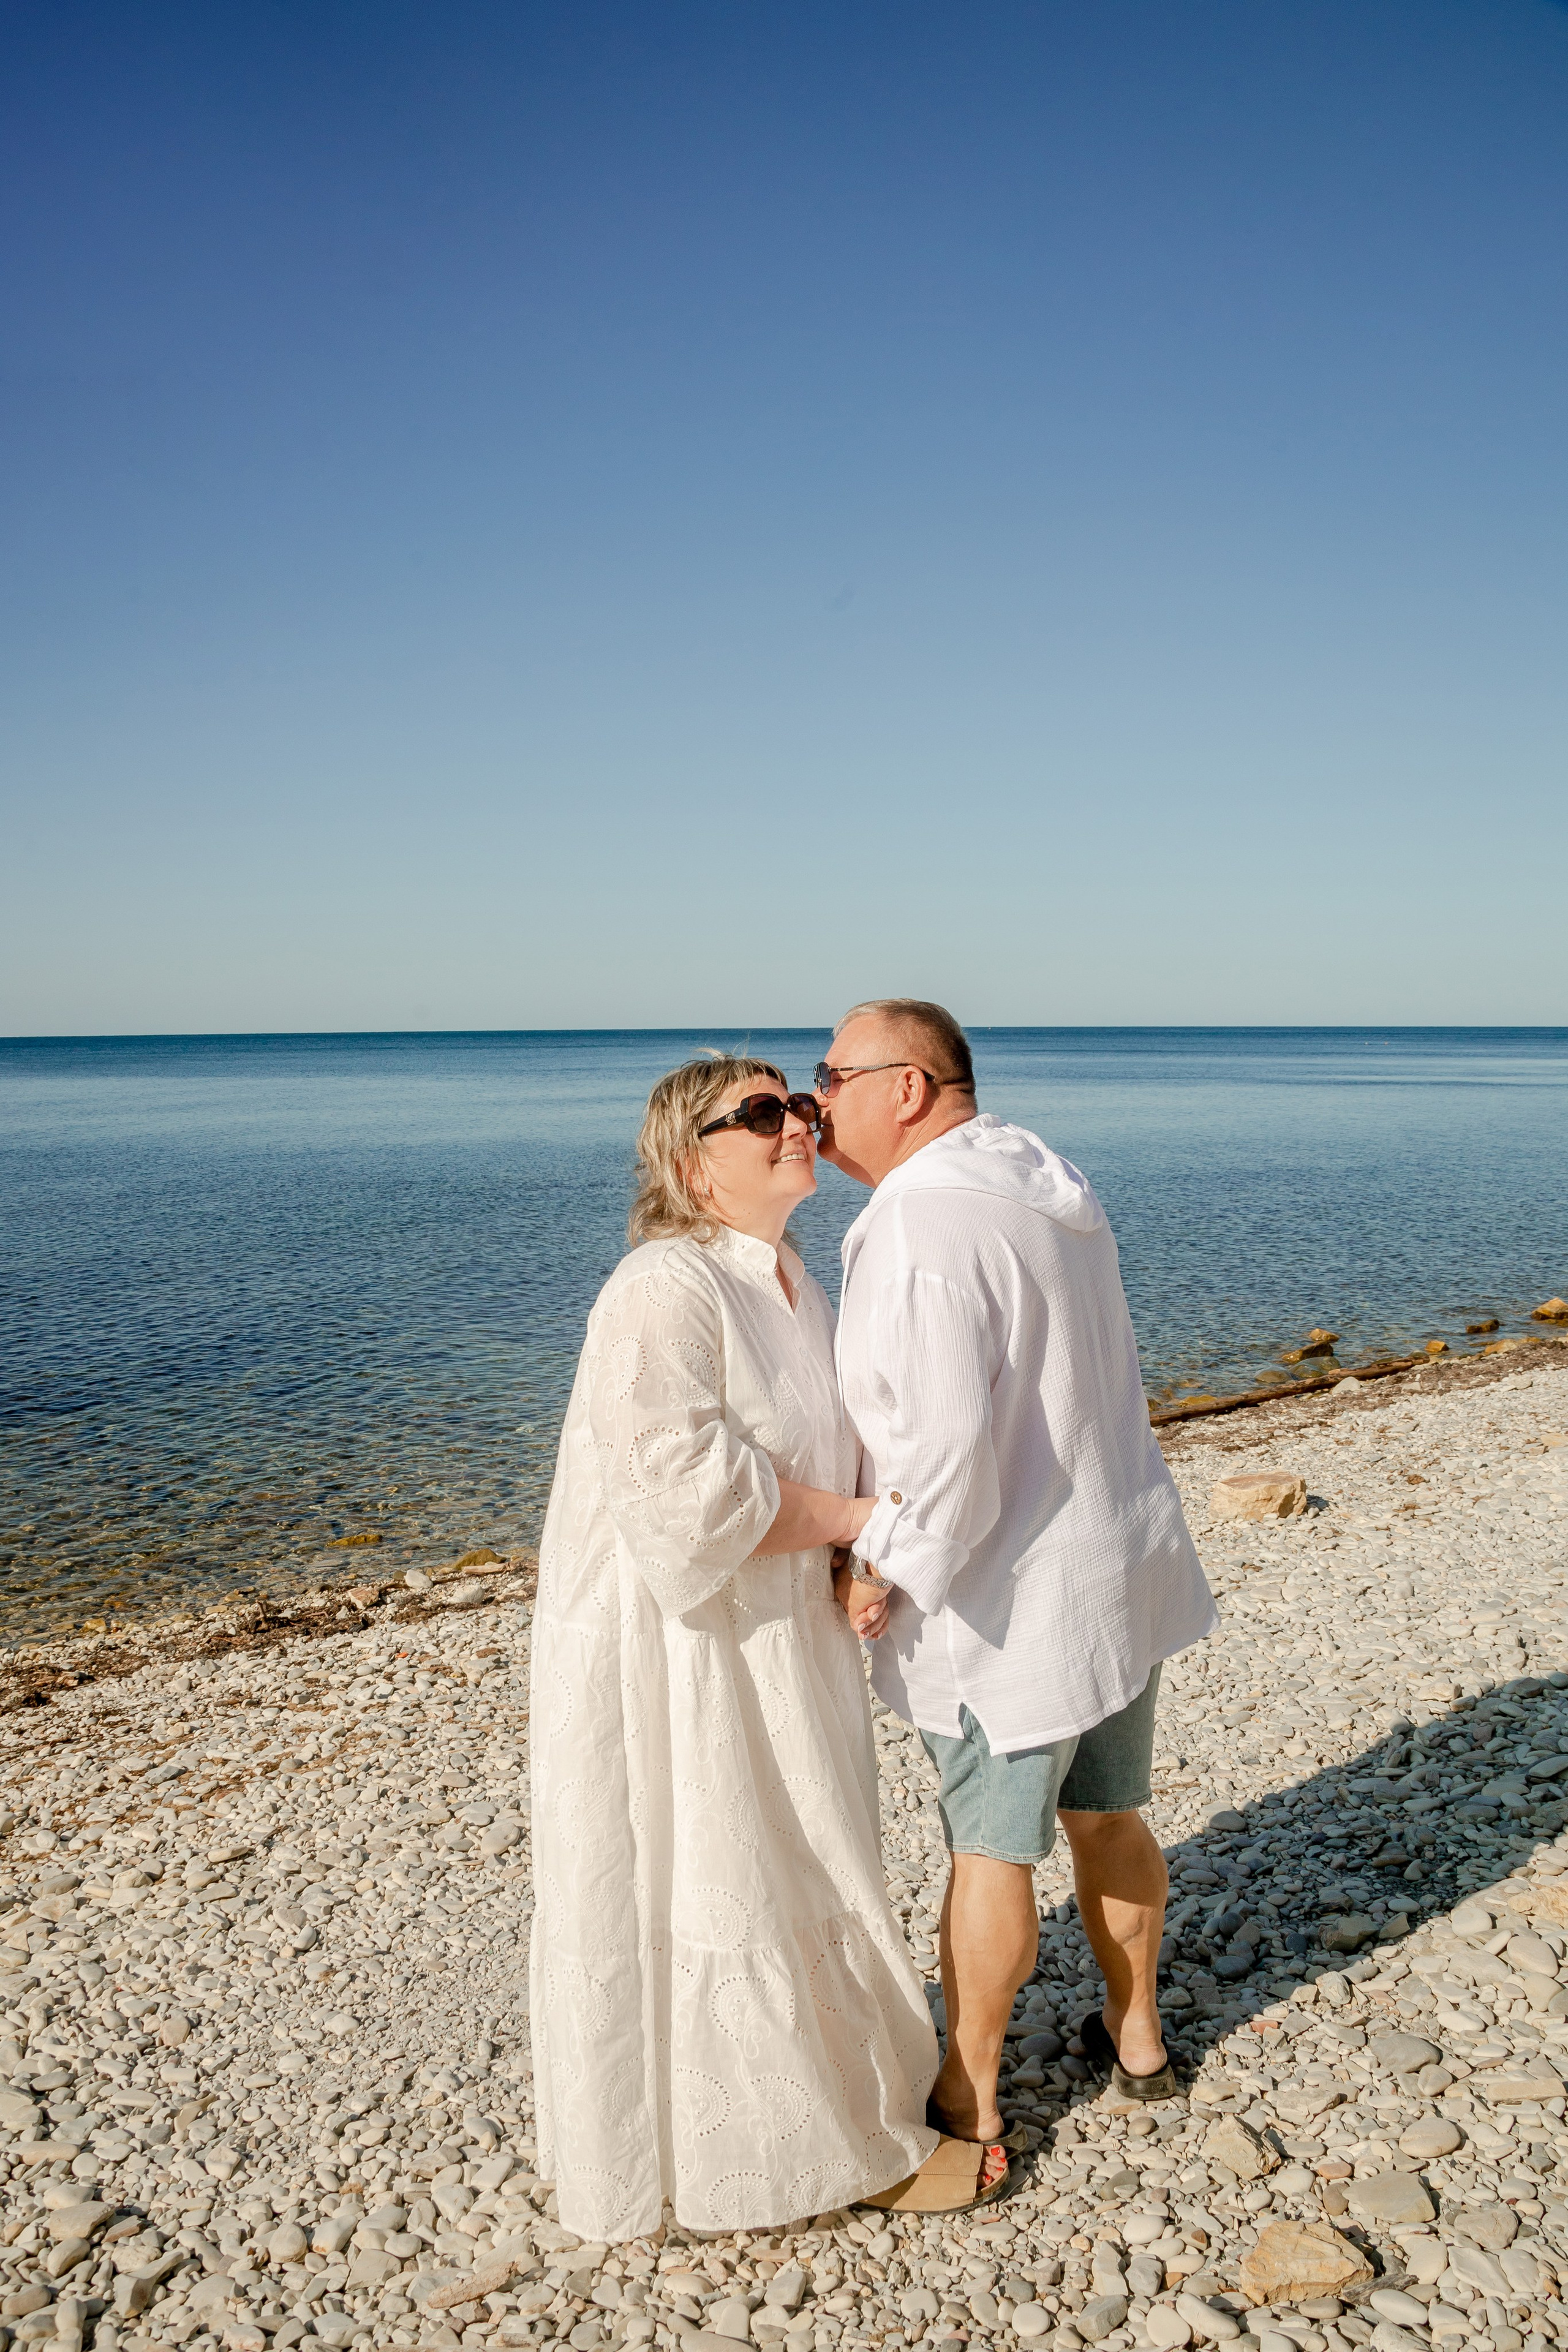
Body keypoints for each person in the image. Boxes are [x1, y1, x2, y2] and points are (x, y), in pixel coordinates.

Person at [531, 1054, 975, 2242]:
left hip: (783, 1630)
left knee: (812, 1852)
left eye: (799, 1104)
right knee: (725, 1861)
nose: (798, 1124)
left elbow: (813, 1456)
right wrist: (857, 1523)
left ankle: (844, 2108)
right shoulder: (660, 1285)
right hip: (684, 1649)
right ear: (693, 1167)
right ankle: (794, 2154)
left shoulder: (790, 1280)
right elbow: (680, 1488)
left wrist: (850, 1557)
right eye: (764, 1114)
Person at [819, 1000, 1216, 2198]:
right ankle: (1136, 2040)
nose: (811, 1098)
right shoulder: (1048, 1183)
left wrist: (879, 1560)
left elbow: (941, 1447)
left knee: (989, 1849)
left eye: (831, 1074)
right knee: (1109, 1816)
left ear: (908, 1086)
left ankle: (971, 2095)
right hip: (1112, 1566)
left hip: (1013, 1605)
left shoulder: (920, 1225)